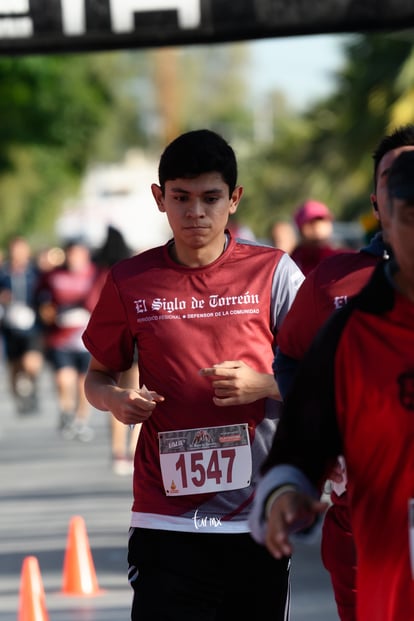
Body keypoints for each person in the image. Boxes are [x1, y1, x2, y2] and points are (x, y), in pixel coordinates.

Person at [82, 129, 304, 621]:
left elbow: (328, 376)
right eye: (181, 198)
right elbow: (97, 378)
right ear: (160, 199)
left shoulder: (275, 273)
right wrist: (116, 400)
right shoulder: (129, 281)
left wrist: (264, 384)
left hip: (257, 515)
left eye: (210, 198)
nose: (196, 213)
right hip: (166, 516)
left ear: (234, 199)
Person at [249, 148, 414, 621]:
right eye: (410, 216)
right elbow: (302, 441)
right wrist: (287, 491)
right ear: (385, 222)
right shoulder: (353, 331)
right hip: (383, 554)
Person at [35, 238, 99, 441]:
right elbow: (41, 298)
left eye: (78, 254)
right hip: (60, 337)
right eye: (71, 253)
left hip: (87, 338)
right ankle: (66, 412)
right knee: (64, 379)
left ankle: (81, 421)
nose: (74, 258)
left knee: (83, 383)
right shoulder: (53, 275)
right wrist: (46, 310)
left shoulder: (96, 275)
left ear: (86, 255)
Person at [92, 225, 141, 475]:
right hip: (137, 339)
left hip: (113, 337)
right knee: (138, 394)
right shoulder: (133, 271)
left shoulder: (102, 273)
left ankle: (117, 450)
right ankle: (133, 450)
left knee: (116, 396)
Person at [0, 236, 44, 415]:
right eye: (14, 250)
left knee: (30, 363)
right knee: (15, 367)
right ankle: (19, 397)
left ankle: (32, 386)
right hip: (10, 326)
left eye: (21, 249)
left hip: (32, 325)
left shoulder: (35, 273)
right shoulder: (3, 274)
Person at [290, 199, 347, 275]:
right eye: (312, 223)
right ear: (301, 228)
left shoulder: (343, 258)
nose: (318, 227)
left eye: (323, 221)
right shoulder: (292, 262)